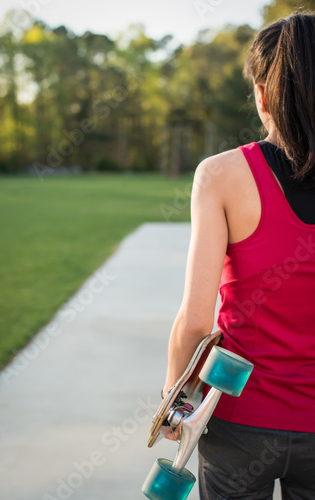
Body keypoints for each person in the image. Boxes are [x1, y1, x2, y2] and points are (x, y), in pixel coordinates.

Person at [161, 11, 315, 500]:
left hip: (236, 422)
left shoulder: (221, 175)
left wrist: (174, 397)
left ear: (263, 95)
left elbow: (194, 320)